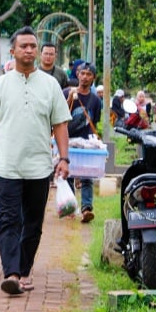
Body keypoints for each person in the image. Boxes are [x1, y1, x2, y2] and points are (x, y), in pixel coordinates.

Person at [0, 26, 71, 295]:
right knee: (9, 221)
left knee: (33, 224)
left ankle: (24, 271)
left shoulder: (50, 85)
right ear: (12, 51)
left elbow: (60, 124)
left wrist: (64, 158)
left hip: (39, 167)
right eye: (23, 46)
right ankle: (11, 273)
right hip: (6, 167)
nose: (29, 50)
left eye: (32, 46)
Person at [64, 62, 101, 223]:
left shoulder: (95, 100)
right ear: (78, 75)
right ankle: (71, 207)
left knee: (87, 176)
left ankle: (86, 208)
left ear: (93, 77)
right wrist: (69, 99)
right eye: (82, 73)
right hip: (68, 141)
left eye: (89, 74)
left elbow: (95, 120)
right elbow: (60, 115)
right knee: (67, 175)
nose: (85, 77)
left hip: (86, 143)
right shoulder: (68, 92)